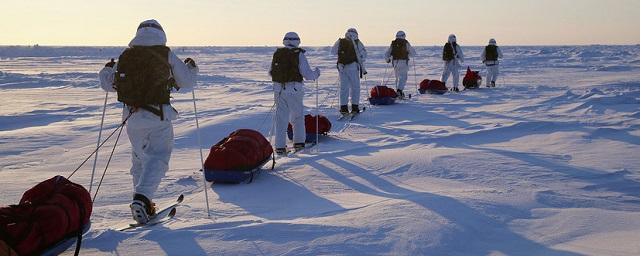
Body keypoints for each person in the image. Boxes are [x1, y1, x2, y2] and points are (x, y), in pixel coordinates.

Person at [98, 19, 198, 224]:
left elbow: (108, 84)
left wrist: (107, 69)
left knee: (140, 160)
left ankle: (143, 204)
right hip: (157, 116)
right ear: (161, 34)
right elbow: (186, 82)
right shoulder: (165, 53)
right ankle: (142, 199)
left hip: (131, 118)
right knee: (158, 158)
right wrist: (192, 69)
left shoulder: (127, 55)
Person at [269, 32, 320, 155]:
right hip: (294, 90)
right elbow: (307, 74)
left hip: (279, 89)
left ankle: (280, 146)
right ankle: (299, 143)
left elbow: (271, 72)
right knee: (297, 117)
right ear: (297, 41)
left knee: (281, 118)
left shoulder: (278, 53)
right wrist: (316, 73)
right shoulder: (299, 54)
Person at [331, 28, 367, 115]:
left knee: (344, 88)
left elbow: (333, 51)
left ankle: (343, 108)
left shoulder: (340, 41)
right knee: (355, 88)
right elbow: (363, 55)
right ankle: (355, 107)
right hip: (353, 67)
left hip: (342, 67)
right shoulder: (357, 42)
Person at [384, 31, 416, 98]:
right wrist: (409, 54)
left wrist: (387, 59)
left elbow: (387, 53)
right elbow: (413, 53)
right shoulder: (405, 43)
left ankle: (397, 92)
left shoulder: (393, 43)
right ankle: (399, 91)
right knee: (403, 77)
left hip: (395, 62)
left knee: (397, 77)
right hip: (403, 62)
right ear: (404, 36)